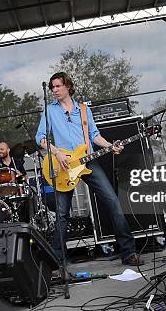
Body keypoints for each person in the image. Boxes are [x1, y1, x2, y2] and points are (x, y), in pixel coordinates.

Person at [35, 72, 144, 266]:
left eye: (58, 86)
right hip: (63, 164)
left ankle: (128, 253)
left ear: (68, 86)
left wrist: (110, 145)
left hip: (87, 161)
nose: (54, 90)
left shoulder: (84, 109)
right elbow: (40, 138)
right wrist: (57, 153)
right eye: (52, 87)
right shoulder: (49, 110)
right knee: (62, 215)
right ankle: (57, 261)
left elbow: (94, 135)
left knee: (113, 202)